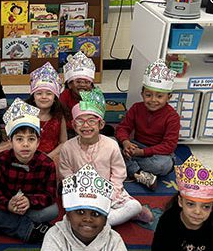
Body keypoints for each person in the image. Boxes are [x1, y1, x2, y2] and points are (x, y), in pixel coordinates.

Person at [58, 89, 154, 227]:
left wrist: (112, 192)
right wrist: (80, 190)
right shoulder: (67, 147)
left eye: (91, 121)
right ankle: (103, 220)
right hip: (80, 191)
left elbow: (119, 172)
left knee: (134, 206)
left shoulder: (111, 144)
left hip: (109, 189)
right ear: (73, 125)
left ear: (101, 125)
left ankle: (100, 222)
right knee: (74, 215)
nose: (86, 126)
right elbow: (65, 173)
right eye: (80, 121)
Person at [0, 99, 58, 244]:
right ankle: (27, 229)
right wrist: (7, 204)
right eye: (19, 139)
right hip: (6, 203)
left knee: (52, 211)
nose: (25, 144)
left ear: (38, 142)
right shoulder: (2, 159)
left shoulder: (47, 163)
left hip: (29, 206)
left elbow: (49, 194)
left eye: (31, 139)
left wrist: (29, 201)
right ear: (11, 141)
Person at [0, 62, 66, 174]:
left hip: (50, 154)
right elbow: (14, 136)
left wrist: (49, 156)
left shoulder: (58, 116)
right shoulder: (24, 113)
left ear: (55, 98)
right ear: (33, 97)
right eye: (39, 93)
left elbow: (63, 142)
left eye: (48, 94)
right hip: (23, 151)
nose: (43, 97)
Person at [116, 59, 181, 190]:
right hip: (136, 145)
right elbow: (123, 128)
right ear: (142, 94)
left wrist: (142, 152)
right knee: (110, 144)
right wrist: (126, 143)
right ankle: (139, 173)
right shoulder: (136, 108)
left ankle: (133, 169)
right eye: (148, 95)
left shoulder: (172, 117)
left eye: (159, 96)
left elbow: (169, 146)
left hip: (158, 153)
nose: (153, 100)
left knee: (164, 165)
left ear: (169, 97)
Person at [60, 52, 115, 138]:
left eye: (87, 82)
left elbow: (98, 117)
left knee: (109, 130)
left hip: (90, 126)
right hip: (71, 127)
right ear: (70, 84)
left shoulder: (96, 95)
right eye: (78, 81)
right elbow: (61, 116)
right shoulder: (64, 96)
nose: (82, 85)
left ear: (92, 84)